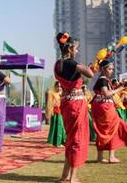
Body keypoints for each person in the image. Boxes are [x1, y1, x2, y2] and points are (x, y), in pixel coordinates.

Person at [54, 32, 94, 183]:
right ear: (70, 48)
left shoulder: (58, 64)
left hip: (66, 103)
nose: (77, 51)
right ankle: (73, 178)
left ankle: (65, 175)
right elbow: (89, 74)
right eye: (76, 48)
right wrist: (87, 67)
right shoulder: (71, 64)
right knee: (77, 139)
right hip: (76, 104)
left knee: (71, 139)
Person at [91, 60, 127, 163]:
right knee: (113, 129)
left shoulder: (103, 80)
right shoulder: (103, 80)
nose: (111, 71)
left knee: (102, 131)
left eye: (112, 69)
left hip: (101, 107)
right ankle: (111, 156)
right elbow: (106, 93)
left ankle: (100, 157)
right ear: (103, 69)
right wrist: (119, 89)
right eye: (109, 69)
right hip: (105, 108)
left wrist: (119, 86)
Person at [47, 81, 66, 147]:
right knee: (57, 126)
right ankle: (57, 143)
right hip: (55, 111)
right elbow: (50, 103)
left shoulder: (62, 94)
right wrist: (50, 111)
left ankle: (61, 141)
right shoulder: (53, 94)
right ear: (55, 87)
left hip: (61, 111)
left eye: (60, 86)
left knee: (61, 127)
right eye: (58, 86)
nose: (59, 88)